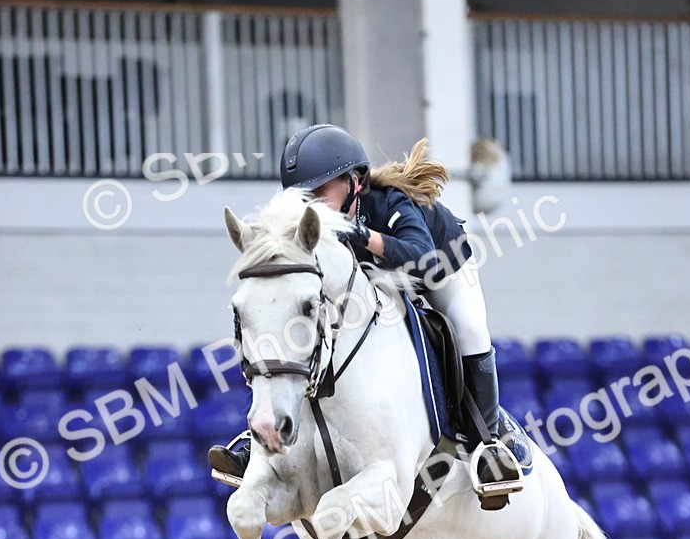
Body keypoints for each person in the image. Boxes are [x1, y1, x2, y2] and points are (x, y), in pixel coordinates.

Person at [209, 123, 523, 507]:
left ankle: (488, 445)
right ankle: (261, 441)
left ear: (354, 181)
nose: (311, 202)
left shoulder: (388, 202)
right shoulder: (312, 223)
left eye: (320, 190)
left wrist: (361, 237)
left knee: (470, 329)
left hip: (439, 269)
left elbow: (420, 258)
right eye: (303, 194)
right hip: (379, 278)